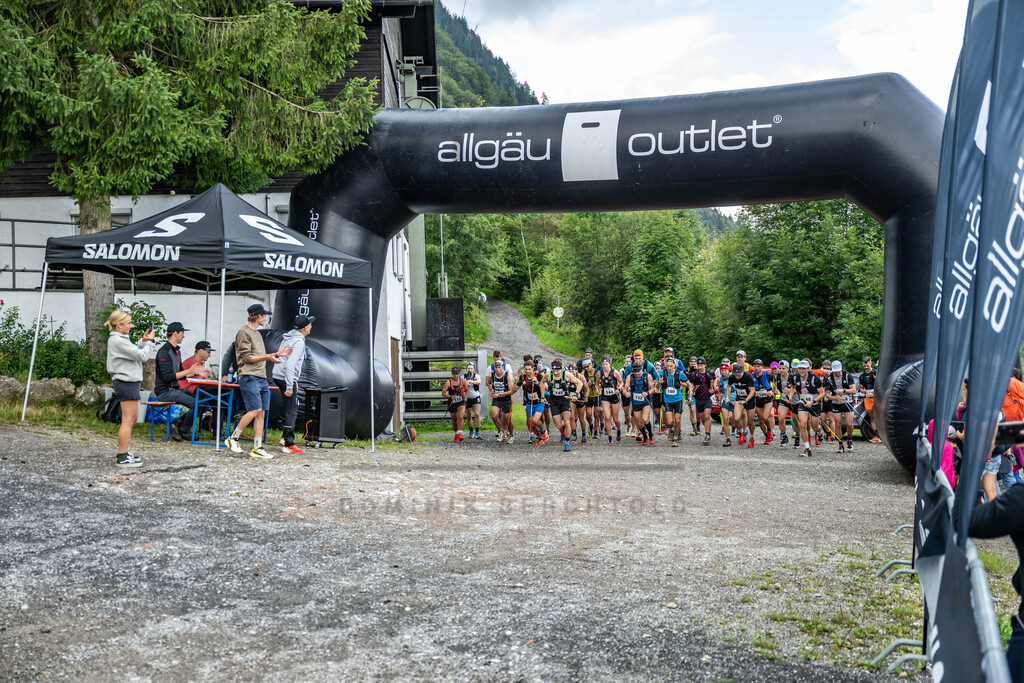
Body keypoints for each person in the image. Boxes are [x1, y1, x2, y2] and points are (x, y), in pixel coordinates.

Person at [225, 303, 291, 459]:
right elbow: (247, 358)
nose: (266, 318)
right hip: (249, 377)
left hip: (261, 378)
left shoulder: (257, 334)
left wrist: (275, 355)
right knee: (254, 410)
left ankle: (257, 447)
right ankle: (233, 438)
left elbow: (259, 356)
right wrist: (268, 357)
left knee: (261, 412)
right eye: (264, 315)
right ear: (258, 316)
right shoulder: (243, 332)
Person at [105, 310, 156, 467]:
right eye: (128, 323)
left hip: (130, 382)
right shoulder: (117, 341)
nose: (131, 326)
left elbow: (133, 352)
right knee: (127, 420)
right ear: (119, 325)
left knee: (133, 418)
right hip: (125, 382)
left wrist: (142, 341)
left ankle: (125, 452)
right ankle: (122, 456)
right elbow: (142, 356)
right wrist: (150, 342)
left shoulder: (121, 339)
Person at [154, 322, 204, 441]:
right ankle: (184, 429)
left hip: (175, 389)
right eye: (182, 333)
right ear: (175, 333)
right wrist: (188, 371)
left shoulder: (177, 351)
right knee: (196, 404)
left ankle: (177, 424)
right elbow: (167, 377)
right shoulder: (164, 352)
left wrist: (195, 373)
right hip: (165, 391)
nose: (183, 336)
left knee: (203, 403)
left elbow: (180, 374)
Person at [272, 314, 314, 455]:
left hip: (278, 375)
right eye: (310, 324)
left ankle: (284, 437)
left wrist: (293, 381)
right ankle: (288, 444)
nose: (311, 326)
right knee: (292, 409)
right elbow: (290, 364)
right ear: (305, 327)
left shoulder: (288, 337)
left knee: (291, 406)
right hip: (285, 377)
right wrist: (290, 385)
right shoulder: (299, 342)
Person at [546, 359, 585, 451]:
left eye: (557, 370)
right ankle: (566, 431)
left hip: (565, 400)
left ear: (561, 369)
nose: (555, 373)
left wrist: (575, 394)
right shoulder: (548, 375)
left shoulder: (567, 374)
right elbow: (542, 382)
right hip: (554, 401)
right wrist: (544, 393)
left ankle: (567, 443)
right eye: (554, 370)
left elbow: (580, 383)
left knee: (567, 422)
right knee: (559, 425)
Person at [788, 360, 824, 458]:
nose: (801, 370)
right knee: (803, 424)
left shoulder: (815, 378)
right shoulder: (795, 377)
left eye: (803, 369)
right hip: (802, 402)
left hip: (814, 403)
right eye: (800, 368)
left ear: (808, 369)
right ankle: (807, 447)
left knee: (814, 426)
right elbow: (793, 387)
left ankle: (819, 432)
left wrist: (812, 402)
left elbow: (822, 393)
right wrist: (790, 396)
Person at [825, 360, 856, 453]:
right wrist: (834, 398)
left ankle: (849, 439)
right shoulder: (829, 378)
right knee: (838, 424)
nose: (837, 373)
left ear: (841, 368)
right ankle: (840, 443)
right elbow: (827, 394)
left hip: (847, 401)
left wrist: (843, 390)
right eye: (835, 371)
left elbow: (854, 390)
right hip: (836, 403)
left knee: (849, 423)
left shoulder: (847, 376)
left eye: (838, 371)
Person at [625, 360, 657, 445]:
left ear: (641, 369)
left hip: (645, 401)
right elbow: (624, 388)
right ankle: (644, 436)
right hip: (635, 402)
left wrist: (647, 393)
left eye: (638, 371)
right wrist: (625, 393)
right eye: (635, 372)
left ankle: (651, 434)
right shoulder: (630, 377)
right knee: (639, 423)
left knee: (645, 419)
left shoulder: (647, 376)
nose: (637, 373)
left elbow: (653, 389)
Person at [687, 356, 716, 446]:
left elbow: (715, 379)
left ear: (705, 365)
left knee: (707, 416)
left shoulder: (710, 372)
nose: (700, 367)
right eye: (698, 365)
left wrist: (713, 387)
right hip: (698, 398)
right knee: (703, 418)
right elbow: (690, 385)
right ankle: (707, 430)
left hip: (707, 398)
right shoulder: (694, 374)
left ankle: (707, 435)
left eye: (701, 365)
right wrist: (691, 394)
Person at [517, 361, 548, 445]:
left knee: (535, 420)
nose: (527, 371)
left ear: (533, 369)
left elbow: (546, 387)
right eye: (526, 369)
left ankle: (543, 430)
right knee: (532, 423)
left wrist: (537, 382)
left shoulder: (538, 376)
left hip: (539, 402)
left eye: (529, 369)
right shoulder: (523, 377)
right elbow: (515, 388)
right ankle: (540, 438)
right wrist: (516, 381)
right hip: (529, 403)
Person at [728, 362, 757, 449]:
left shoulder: (748, 377)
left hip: (749, 399)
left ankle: (751, 437)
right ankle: (742, 432)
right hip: (739, 398)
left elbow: (752, 391)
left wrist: (746, 400)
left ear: (742, 371)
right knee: (736, 418)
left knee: (750, 421)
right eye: (735, 374)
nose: (737, 377)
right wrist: (727, 397)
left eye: (739, 374)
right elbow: (728, 386)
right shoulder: (732, 377)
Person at [658, 357, 686, 447]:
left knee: (677, 421)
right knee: (669, 422)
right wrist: (659, 382)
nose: (669, 368)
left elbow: (688, 384)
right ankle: (671, 430)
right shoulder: (662, 373)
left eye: (671, 366)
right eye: (668, 366)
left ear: (674, 366)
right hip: (667, 400)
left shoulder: (679, 373)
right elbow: (657, 386)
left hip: (678, 400)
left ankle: (675, 439)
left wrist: (689, 396)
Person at [487, 360, 515, 443]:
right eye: (496, 367)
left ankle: (511, 435)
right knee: (494, 415)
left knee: (507, 419)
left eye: (499, 367)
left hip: (506, 399)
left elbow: (511, 391)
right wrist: (491, 391)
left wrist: (500, 394)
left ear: (502, 367)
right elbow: (488, 383)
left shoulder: (507, 376)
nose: (497, 369)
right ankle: (501, 431)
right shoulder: (492, 375)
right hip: (497, 399)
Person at [598, 356, 623, 445]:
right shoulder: (600, 373)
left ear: (610, 363)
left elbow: (621, 382)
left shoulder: (615, 372)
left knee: (616, 419)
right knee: (607, 417)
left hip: (614, 396)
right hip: (605, 397)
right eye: (603, 364)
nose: (605, 366)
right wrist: (597, 388)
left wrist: (618, 389)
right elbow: (597, 383)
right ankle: (610, 437)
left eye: (606, 364)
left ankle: (619, 430)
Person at [750, 359, 775, 445]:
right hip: (758, 399)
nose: (756, 368)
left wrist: (772, 391)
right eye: (755, 366)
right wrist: (754, 392)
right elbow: (749, 387)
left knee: (765, 417)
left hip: (767, 398)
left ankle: (769, 430)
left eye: (758, 366)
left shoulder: (768, 374)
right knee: (760, 420)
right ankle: (766, 436)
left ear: (762, 367)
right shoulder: (751, 376)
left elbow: (775, 384)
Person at [442, 366, 469, 442]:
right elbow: (443, 393)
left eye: (457, 374)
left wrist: (466, 397)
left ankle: (460, 434)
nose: (456, 375)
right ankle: (456, 433)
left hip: (461, 401)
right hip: (452, 402)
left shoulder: (463, 381)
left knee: (460, 417)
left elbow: (467, 390)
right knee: (454, 419)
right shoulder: (448, 382)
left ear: (459, 374)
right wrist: (450, 396)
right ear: (452, 374)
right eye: (454, 374)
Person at [859, 357, 881, 442]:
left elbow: (880, 385)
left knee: (878, 416)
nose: (866, 367)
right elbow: (861, 388)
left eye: (867, 365)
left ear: (870, 363)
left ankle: (881, 435)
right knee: (872, 416)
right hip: (868, 397)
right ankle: (876, 435)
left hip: (877, 397)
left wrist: (874, 392)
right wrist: (865, 392)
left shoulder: (875, 372)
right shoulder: (862, 376)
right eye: (864, 365)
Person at [773, 360, 793, 447]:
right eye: (780, 368)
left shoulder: (792, 377)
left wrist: (790, 392)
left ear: (787, 369)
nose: (781, 370)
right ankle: (784, 435)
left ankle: (798, 436)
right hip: (783, 399)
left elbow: (798, 389)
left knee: (796, 420)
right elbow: (775, 387)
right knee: (780, 418)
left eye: (783, 368)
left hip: (794, 400)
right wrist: (774, 391)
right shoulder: (776, 376)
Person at [464, 362, 483, 439]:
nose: (470, 370)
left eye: (471, 368)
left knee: (477, 414)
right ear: (466, 369)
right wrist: (465, 383)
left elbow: (479, 381)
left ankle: (477, 431)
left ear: (474, 369)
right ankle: (471, 431)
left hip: (476, 396)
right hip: (467, 397)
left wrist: (470, 381)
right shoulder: (463, 376)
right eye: (468, 368)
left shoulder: (476, 376)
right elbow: (461, 384)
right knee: (469, 415)